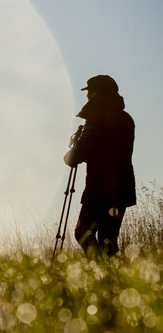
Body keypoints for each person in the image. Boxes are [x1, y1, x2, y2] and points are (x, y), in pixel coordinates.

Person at [64, 75, 136, 257]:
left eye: (88, 91)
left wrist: (72, 151)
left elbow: (79, 155)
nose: (86, 96)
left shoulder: (96, 118)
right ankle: (111, 279)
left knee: (82, 233)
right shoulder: (127, 119)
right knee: (108, 240)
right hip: (122, 188)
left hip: (99, 188)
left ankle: (99, 272)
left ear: (95, 93)